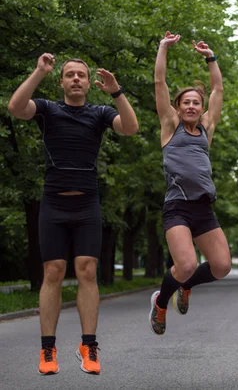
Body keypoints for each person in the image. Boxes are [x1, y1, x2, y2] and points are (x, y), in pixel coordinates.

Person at [8, 54, 139, 375]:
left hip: (87, 206)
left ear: (88, 83)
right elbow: (15, 108)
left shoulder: (100, 113)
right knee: (52, 271)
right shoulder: (49, 110)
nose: (77, 79)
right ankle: (48, 348)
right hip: (53, 203)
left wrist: (116, 91)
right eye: (71, 75)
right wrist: (39, 71)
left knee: (87, 271)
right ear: (62, 82)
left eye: (82, 74)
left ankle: (88, 345)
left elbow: (131, 128)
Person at [148, 31, 231, 336]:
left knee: (222, 266)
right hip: (177, 208)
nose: (193, 107)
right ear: (178, 107)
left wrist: (211, 58)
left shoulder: (207, 128)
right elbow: (159, 83)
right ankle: (161, 302)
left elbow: (218, 88)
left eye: (197, 102)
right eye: (187, 103)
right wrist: (163, 48)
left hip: (204, 208)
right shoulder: (171, 126)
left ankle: (188, 286)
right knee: (185, 264)